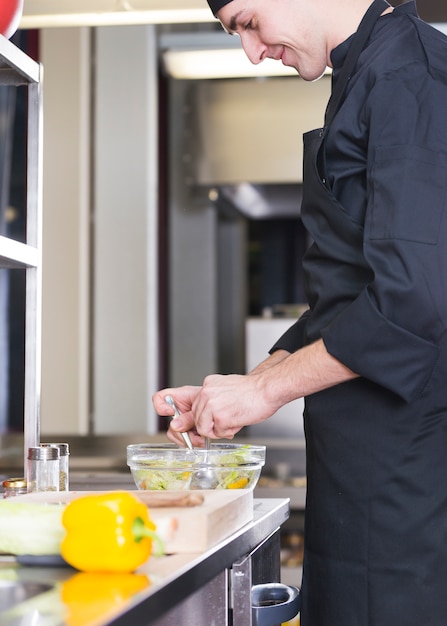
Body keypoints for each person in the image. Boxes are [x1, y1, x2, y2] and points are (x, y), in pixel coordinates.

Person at [152, 0, 447, 624]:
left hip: (410, 494)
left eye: (248, 21)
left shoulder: (410, 77)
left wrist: (266, 397)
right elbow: (343, 301)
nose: (253, 51)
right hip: (358, 484)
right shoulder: (361, 75)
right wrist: (242, 388)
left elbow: (411, 302)